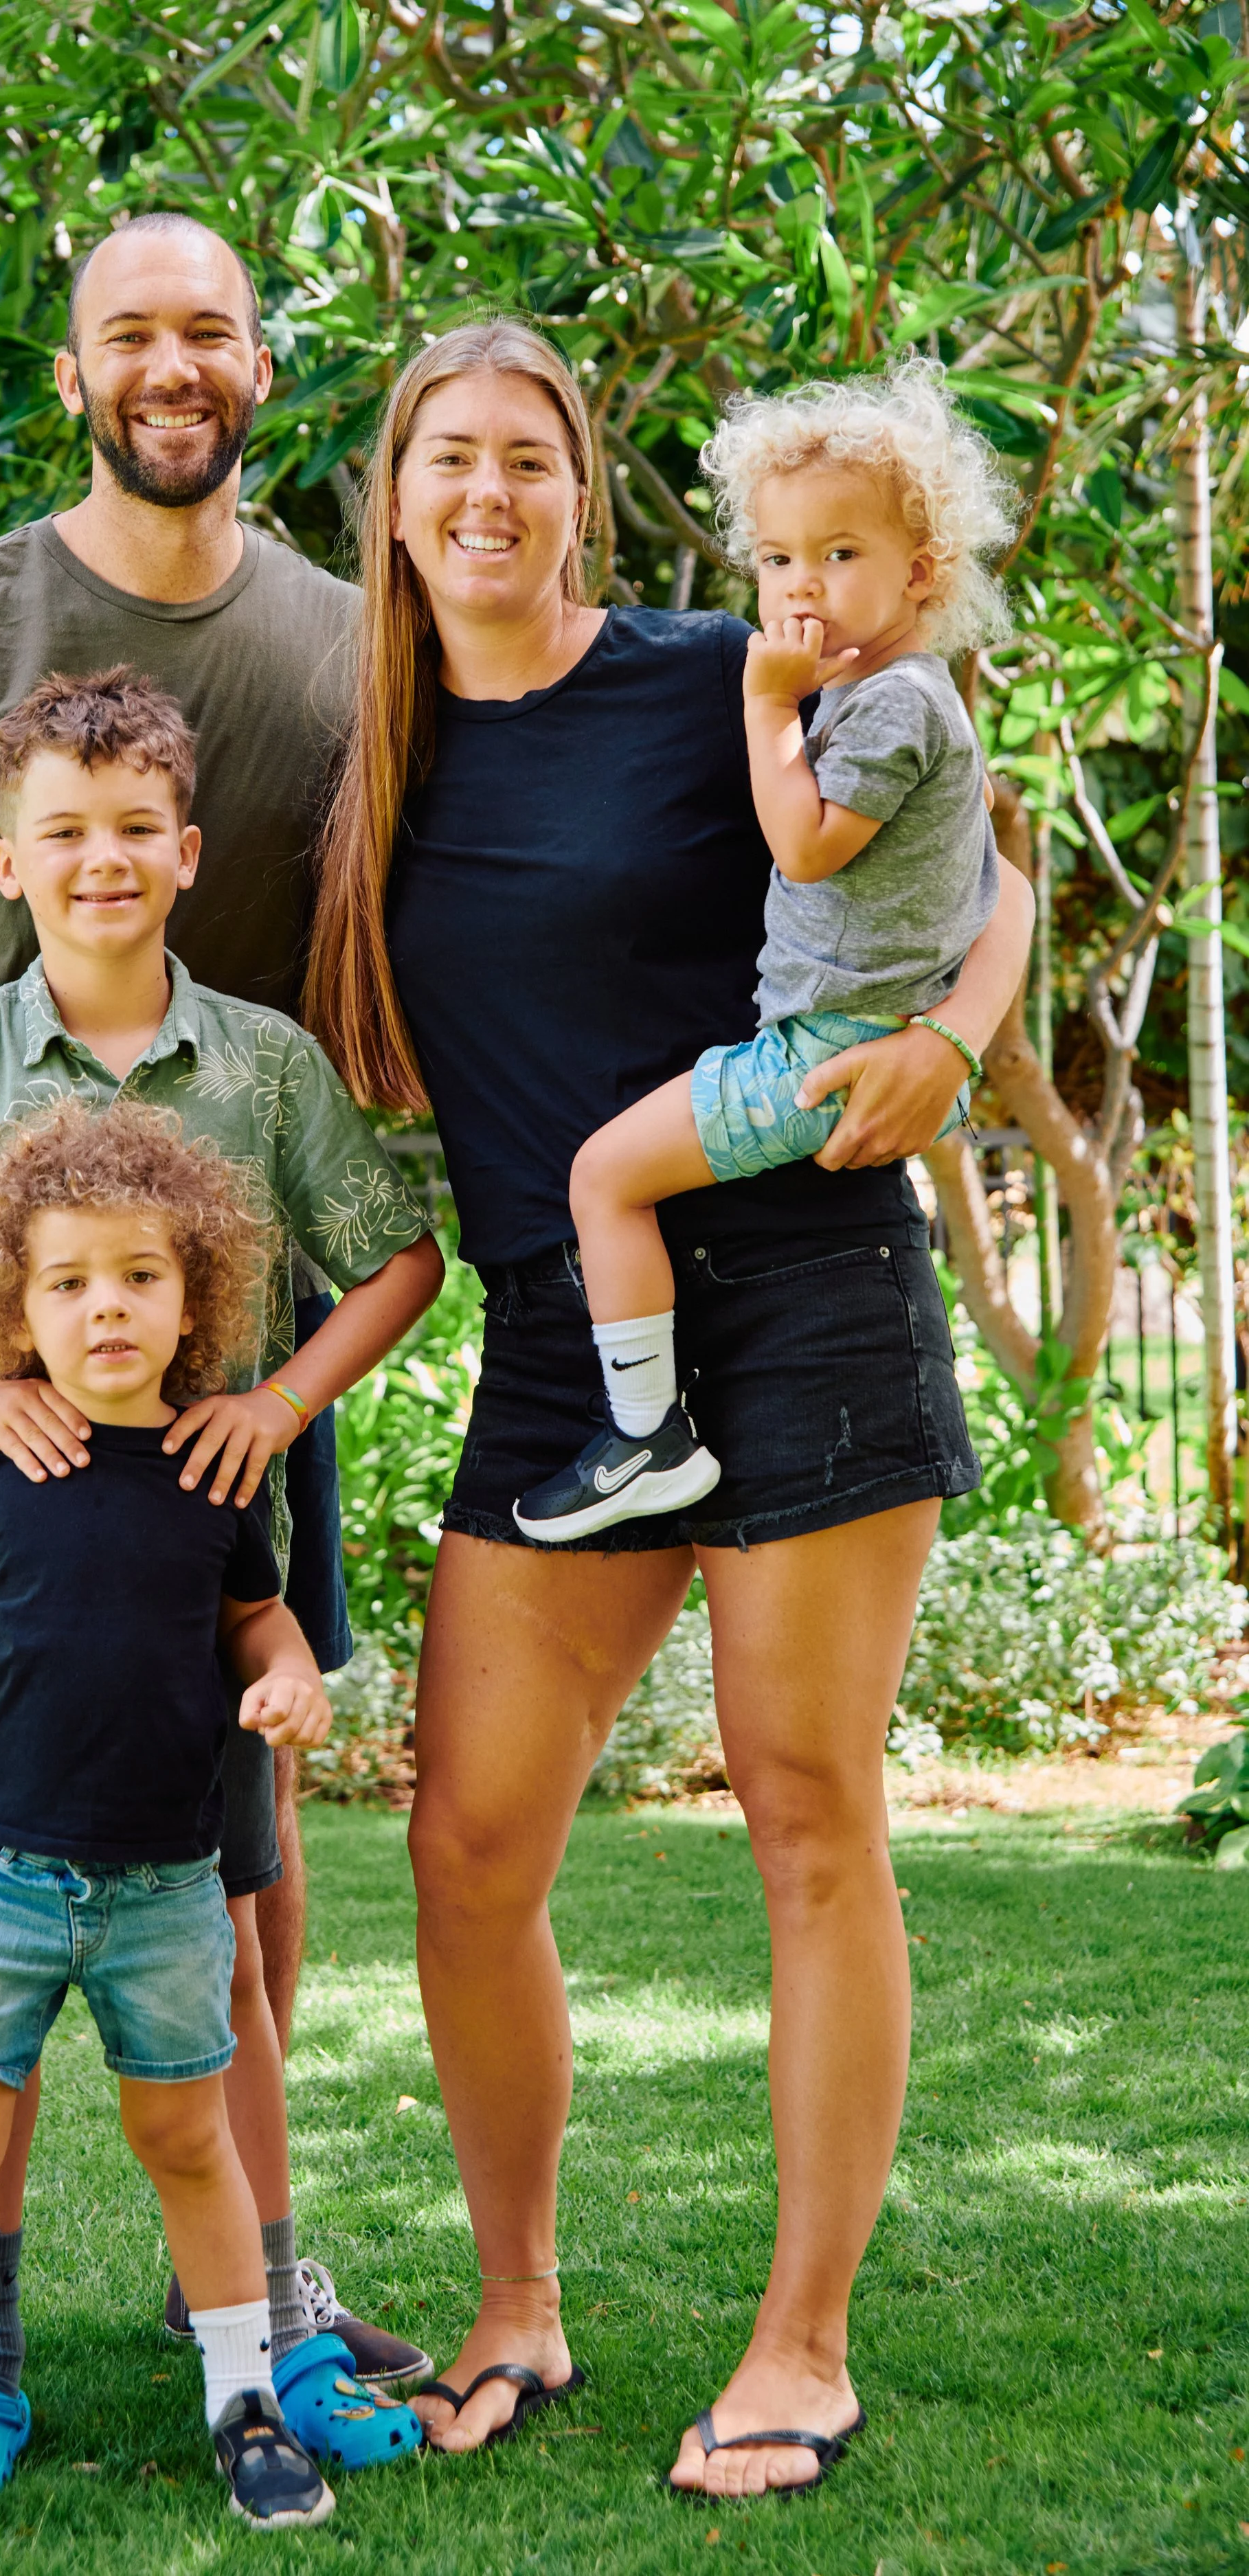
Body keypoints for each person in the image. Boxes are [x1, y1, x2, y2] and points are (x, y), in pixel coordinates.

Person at [305, 321, 1034, 2494]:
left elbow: (979, 865)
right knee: (465, 1838)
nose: (488, 492)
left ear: (579, 490)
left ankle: (799, 2342)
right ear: (397, 496)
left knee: (808, 1815)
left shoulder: (737, 665)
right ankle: (515, 2302)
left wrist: (960, 1045)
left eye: (527, 455)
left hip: (800, 1284)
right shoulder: (380, 743)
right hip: (562, 1319)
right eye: (449, 457)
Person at [0, 207, 432, 2445]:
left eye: (210, 329)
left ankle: (236, 2271)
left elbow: (371, 1013)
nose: (172, 363)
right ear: (74, 372)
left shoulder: (358, 655)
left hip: (226, 1368)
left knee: (235, 1813)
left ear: (266, 366)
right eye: (128, 332)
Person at [0, 1099, 379, 2574]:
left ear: (195, 1303)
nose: (105, 1305)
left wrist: (290, 1674)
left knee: (187, 2138)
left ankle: (244, 2402)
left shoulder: (216, 1470)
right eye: (66, 1282)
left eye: (137, 1276)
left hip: (167, 1886)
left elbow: (256, 1618)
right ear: (13, 1303)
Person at [515, 361, 1017, 1543]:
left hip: (828, 1054)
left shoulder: (894, 702)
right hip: (841, 1037)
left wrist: (762, 704)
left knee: (602, 1176)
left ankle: (644, 1432)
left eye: (841, 555)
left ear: (921, 571)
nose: (804, 586)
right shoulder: (881, 694)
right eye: (782, 558)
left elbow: (803, 847)